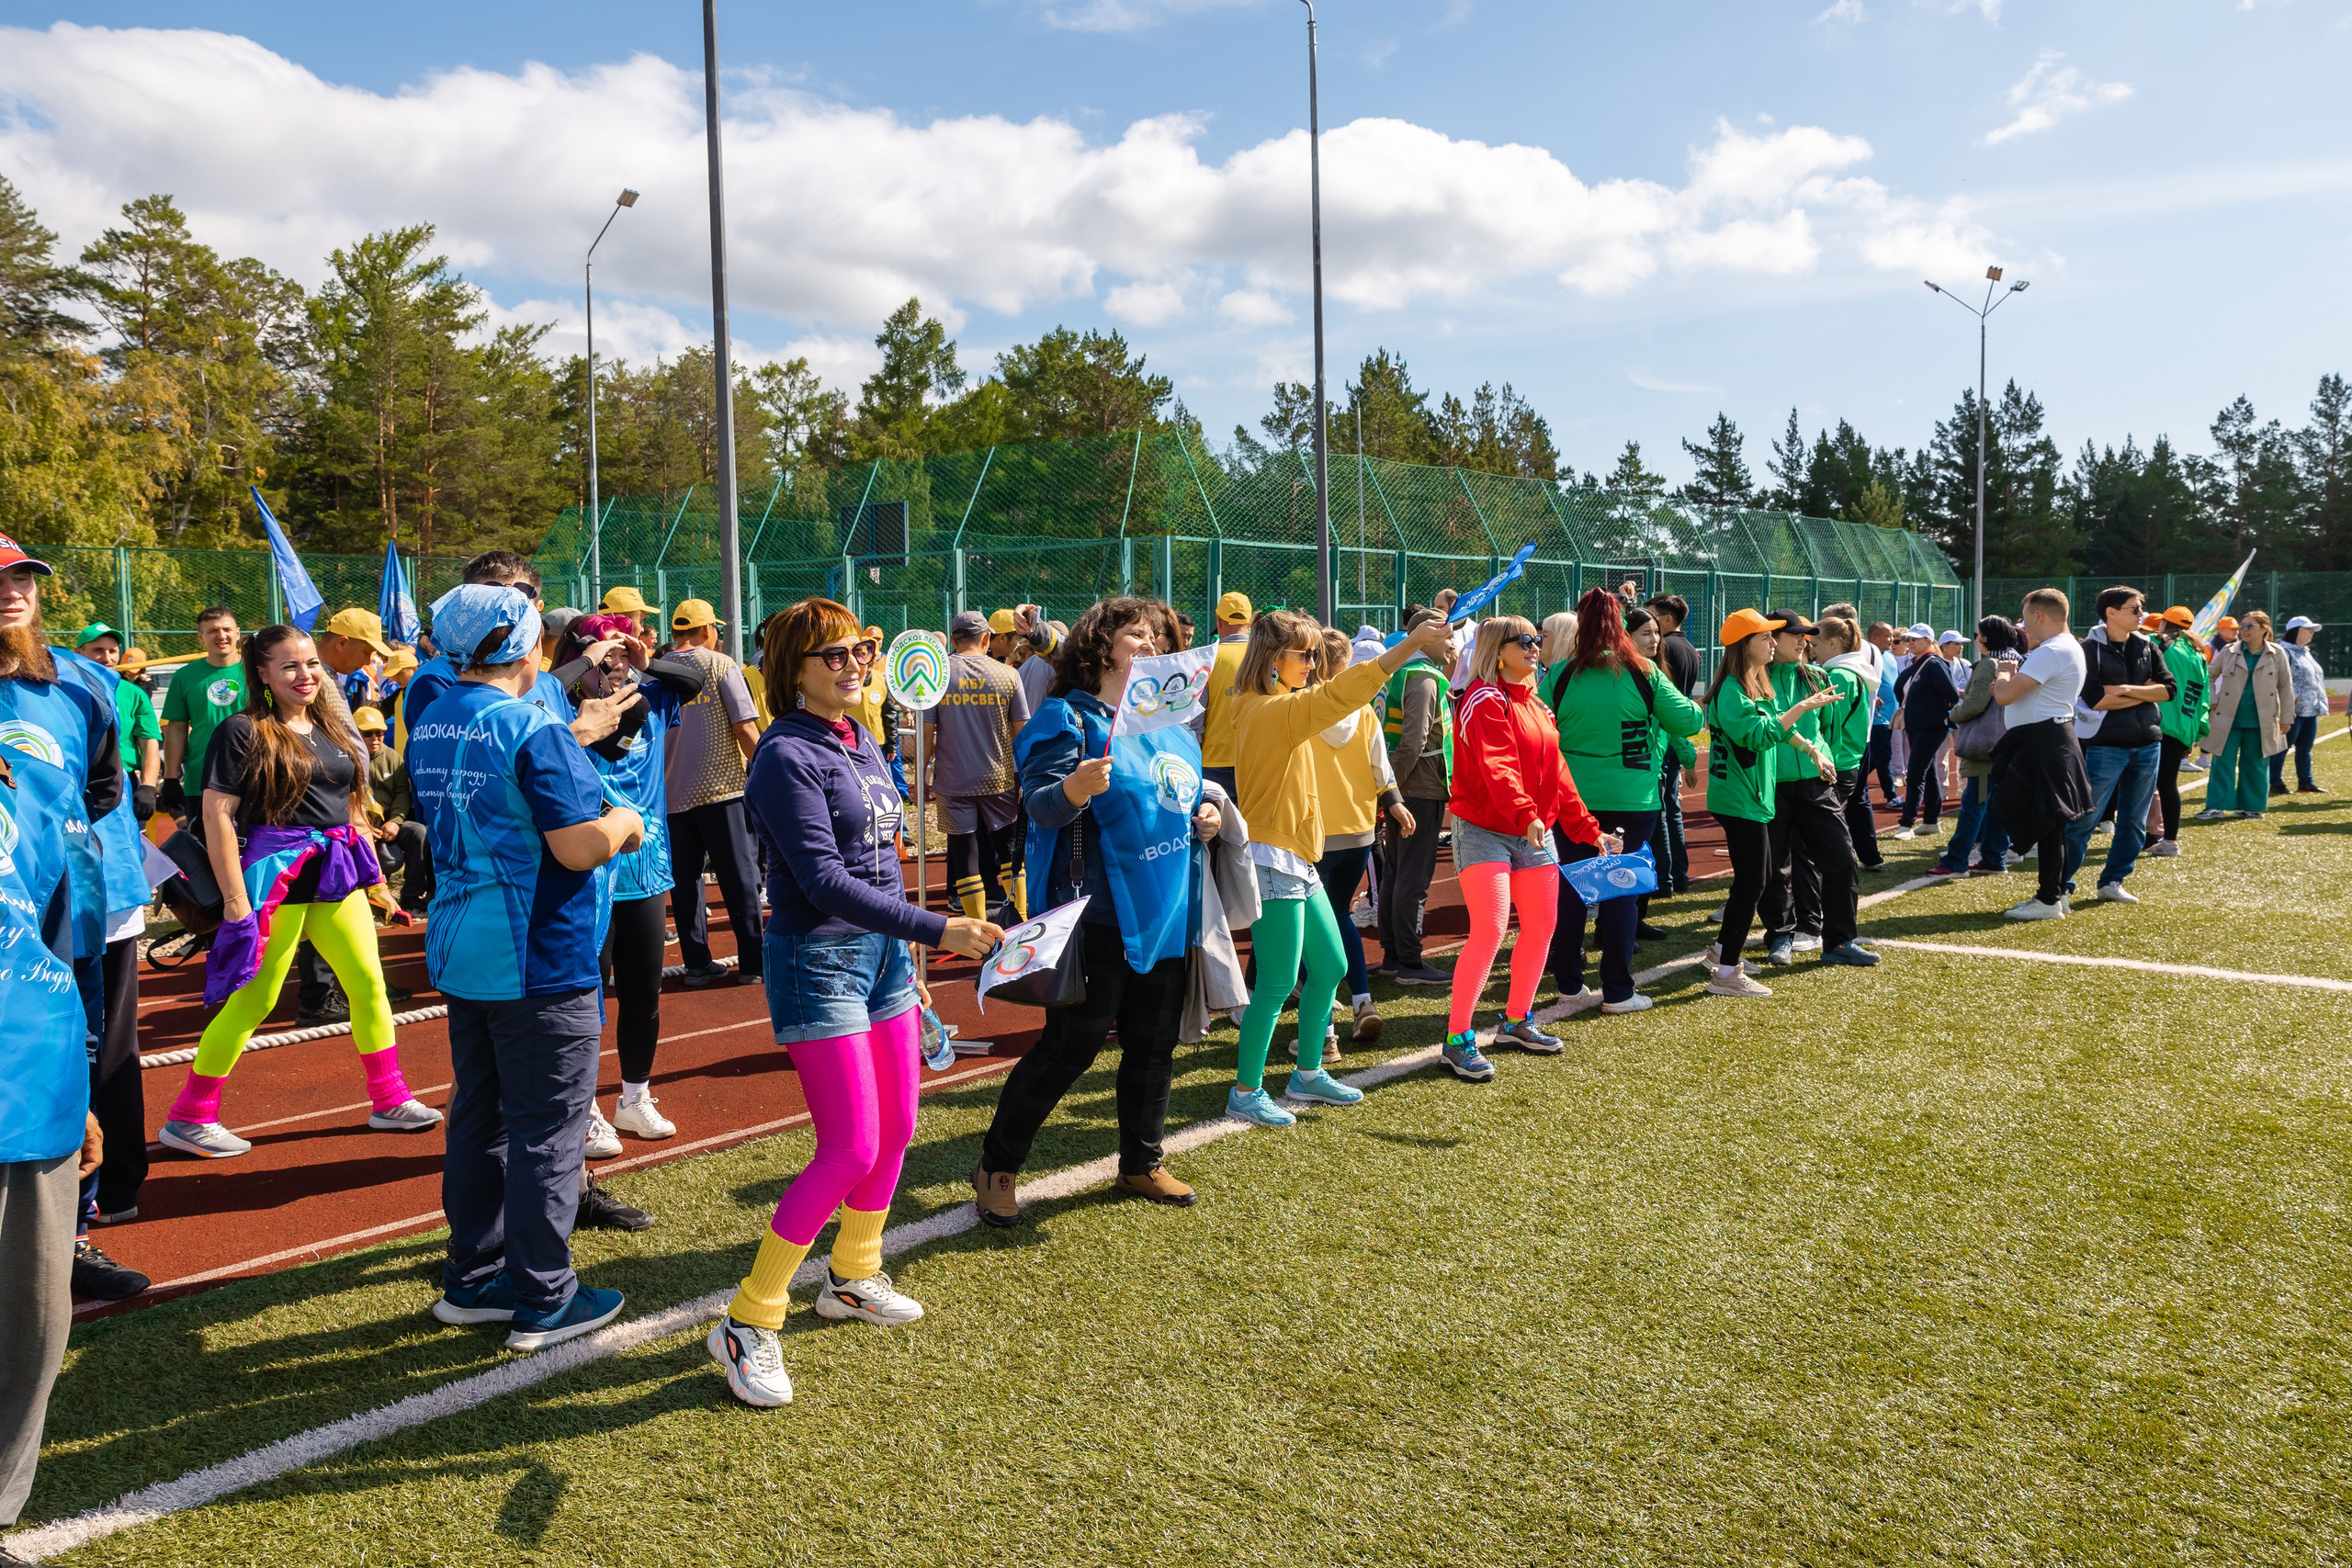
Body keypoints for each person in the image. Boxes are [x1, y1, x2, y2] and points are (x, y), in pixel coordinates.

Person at [709, 598, 1000, 1408]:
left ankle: (853, 1273)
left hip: (880, 958)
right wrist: (940, 926)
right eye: (832, 654)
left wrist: (910, 936)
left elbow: (880, 857)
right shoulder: (783, 754)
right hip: (820, 960)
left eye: (860, 647)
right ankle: (748, 1319)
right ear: (792, 670)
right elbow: (823, 880)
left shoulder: (860, 736)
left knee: (899, 1128)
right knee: (847, 1146)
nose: (853, 662)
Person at [409, 583, 647, 1353]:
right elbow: (577, 844)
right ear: (524, 646)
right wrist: (626, 821)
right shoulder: (529, 727)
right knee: (548, 1129)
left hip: (462, 948)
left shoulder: (432, 713)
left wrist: (574, 733)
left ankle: (474, 1277)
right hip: (537, 955)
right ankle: (546, 1294)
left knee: (479, 1117)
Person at [972, 597, 1223, 1226]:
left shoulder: (1167, 720)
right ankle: (997, 1165)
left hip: (1166, 907)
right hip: (1097, 913)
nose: (1152, 644)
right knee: (1071, 1046)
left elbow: (1178, 795)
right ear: (1101, 644)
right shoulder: (1067, 717)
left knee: (1154, 1042)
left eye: (1159, 637)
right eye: (1139, 634)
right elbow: (1042, 806)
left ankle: (1141, 1160)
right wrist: (1074, 788)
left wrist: (1205, 819)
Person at [157, 625, 441, 1157]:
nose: (305, 675)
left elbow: (352, 805)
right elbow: (216, 814)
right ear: (261, 673)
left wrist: (376, 880)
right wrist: (237, 898)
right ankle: (189, 1117)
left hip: (337, 877)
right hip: (275, 879)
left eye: (310, 663)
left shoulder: (331, 724)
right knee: (255, 1000)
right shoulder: (241, 731)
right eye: (289, 666)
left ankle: (389, 1098)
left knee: (370, 988)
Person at [1227, 609, 1453, 1122]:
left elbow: (1339, 698)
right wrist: (1410, 645)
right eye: (1303, 654)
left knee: (1329, 965)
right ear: (1271, 658)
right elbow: (1346, 691)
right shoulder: (1269, 710)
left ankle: (1308, 1074)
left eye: (1314, 654)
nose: (1313, 663)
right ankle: (1244, 1092)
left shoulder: (1273, 704)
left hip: (1295, 856)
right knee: (1278, 983)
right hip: (1273, 857)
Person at [0, 544, 147, 1298]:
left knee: (80, 1050)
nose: (12, 591)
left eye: (21, 577)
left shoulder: (81, 683)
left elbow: (97, 792)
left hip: (62, 902)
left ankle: (74, 1236)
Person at [551, 613, 704, 1147]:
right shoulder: (559, 708)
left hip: (644, 869)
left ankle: (634, 1098)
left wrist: (640, 654)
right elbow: (557, 684)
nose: (614, 665)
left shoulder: (653, 699)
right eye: (602, 657)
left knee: (643, 993)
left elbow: (693, 679)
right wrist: (590, 658)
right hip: (584, 872)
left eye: (620, 655)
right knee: (585, 997)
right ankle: (583, 1105)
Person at [0, 727, 96, 1536]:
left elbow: (68, 941)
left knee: (32, 1318)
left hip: (33, 1086)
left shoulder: (41, 784)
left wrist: (84, 1085)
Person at [1442, 615, 1609, 1076]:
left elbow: (1559, 776)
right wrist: (1527, 814)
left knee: (1541, 926)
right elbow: (1497, 767)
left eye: (1538, 640)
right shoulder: (1482, 698)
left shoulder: (1538, 705)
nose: (1536, 647)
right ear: (1497, 650)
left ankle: (1517, 1019)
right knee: (1491, 929)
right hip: (1484, 828)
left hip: (1531, 828)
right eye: (1525, 641)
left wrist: (1588, 829)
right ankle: (1458, 1038)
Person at [1544, 590, 1702, 1013]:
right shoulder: (1643, 672)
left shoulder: (1559, 673)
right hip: (1633, 799)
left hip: (1573, 800)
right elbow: (1689, 720)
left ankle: (1569, 984)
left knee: (1574, 887)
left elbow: (1535, 723)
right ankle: (1617, 990)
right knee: (1620, 891)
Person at [1702, 610, 1843, 998]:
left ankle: (1719, 954)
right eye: (1764, 637)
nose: (1772, 642)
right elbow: (1761, 735)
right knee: (1753, 883)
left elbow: (1779, 725)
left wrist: (1810, 748)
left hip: (1750, 797)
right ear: (1744, 645)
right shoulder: (1732, 689)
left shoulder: (1751, 682)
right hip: (1740, 799)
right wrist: (1803, 706)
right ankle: (1727, 973)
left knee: (1753, 880)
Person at [1308, 626, 1409, 1048]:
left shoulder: (1302, 707)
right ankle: (1362, 1001)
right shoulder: (1364, 710)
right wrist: (1395, 802)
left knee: (1312, 929)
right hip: (1358, 829)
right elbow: (1380, 767)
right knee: (1339, 917)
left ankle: (1324, 1030)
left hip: (1311, 832)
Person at [1758, 611, 1874, 968]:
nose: (1803, 641)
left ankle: (1839, 941)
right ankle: (1780, 935)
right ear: (1771, 639)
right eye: (1796, 635)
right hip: (1770, 785)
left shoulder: (1819, 675)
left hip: (1816, 783)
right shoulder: (1751, 680)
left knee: (1841, 858)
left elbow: (1830, 731)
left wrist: (1823, 760)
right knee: (1775, 867)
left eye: (1806, 636)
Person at [662, 597, 765, 990]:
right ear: (707, 631)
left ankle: (696, 963)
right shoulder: (719, 664)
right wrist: (768, 769)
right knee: (740, 877)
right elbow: (744, 728)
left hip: (671, 792)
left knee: (685, 881)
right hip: (722, 789)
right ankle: (753, 963)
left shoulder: (654, 673)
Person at [2061, 586, 2177, 906]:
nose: (2142, 615)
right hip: (2105, 746)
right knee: (2085, 818)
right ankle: (2060, 886)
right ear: (2111, 612)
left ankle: (2112, 881)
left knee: (2135, 821)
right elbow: (2096, 699)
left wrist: (2124, 689)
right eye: (2135, 609)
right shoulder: (2088, 650)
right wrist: (2143, 692)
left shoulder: (2148, 647)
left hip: (2148, 743)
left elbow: (2169, 690)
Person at [1989, 588, 2093, 919]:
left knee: (2048, 821)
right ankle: (2054, 894)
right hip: (2049, 738)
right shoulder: (2063, 647)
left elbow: (2005, 696)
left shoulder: (2053, 650)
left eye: (2024, 617)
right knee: (2053, 822)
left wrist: (2003, 672)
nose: (2022, 626)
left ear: (2039, 616)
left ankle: (2048, 899)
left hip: (2043, 741)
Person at [930, 609, 1032, 923]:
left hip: (952, 779)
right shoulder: (1008, 674)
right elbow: (1022, 733)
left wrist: (922, 775)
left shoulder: (939, 674)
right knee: (1009, 849)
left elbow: (926, 732)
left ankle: (977, 928)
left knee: (964, 851)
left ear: (955, 638)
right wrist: (1026, 778)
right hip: (998, 777)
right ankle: (1021, 920)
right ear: (987, 638)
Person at [1378, 607, 1454, 987]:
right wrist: (1395, 790)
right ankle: (1409, 960)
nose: (1453, 643)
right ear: (1428, 637)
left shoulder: (1401, 672)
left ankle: (1394, 955)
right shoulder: (1424, 678)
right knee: (1413, 876)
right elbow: (1413, 743)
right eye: (1447, 636)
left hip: (1403, 787)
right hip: (1418, 788)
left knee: (1396, 871)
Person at [1928, 615, 2019, 878]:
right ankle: (1994, 858)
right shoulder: (2014, 662)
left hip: (1984, 750)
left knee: (1974, 805)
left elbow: (1975, 704)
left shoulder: (1989, 664)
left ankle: (1956, 860)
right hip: (2006, 744)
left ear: (1985, 637)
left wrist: (1952, 714)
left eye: (1979, 634)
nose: (1976, 638)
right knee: (1995, 806)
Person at [2196, 608, 2293, 820]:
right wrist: (2212, 700)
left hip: (2262, 719)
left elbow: (2285, 686)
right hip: (2227, 716)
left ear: (2264, 628)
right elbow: (2209, 675)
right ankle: (2216, 806)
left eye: (2250, 626)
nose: (2243, 630)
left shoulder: (2277, 653)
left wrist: (2287, 717)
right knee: (2222, 762)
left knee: (2256, 763)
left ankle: (2250, 807)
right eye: (2242, 626)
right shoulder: (2229, 651)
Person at [158, 604, 244, 819]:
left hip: (254, 777)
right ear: (200, 636)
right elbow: (176, 728)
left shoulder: (259, 672)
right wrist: (170, 777)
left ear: (237, 633)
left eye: (226, 629)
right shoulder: (184, 676)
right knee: (205, 848)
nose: (221, 636)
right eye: (213, 631)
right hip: (202, 779)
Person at [1821, 615, 1890, 872]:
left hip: (1837, 761)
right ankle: (1865, 859)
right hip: (1853, 754)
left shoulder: (1839, 675)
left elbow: (1829, 725)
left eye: (1816, 643)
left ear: (1833, 643)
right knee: (1849, 810)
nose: (1812, 650)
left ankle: (1840, 872)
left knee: (1826, 825)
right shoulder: (1857, 669)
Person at [1645, 594, 1702, 893]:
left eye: (1652, 617)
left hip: (1665, 738)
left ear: (1666, 620)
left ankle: (1666, 878)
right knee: (1672, 809)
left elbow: (1669, 703)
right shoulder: (1690, 649)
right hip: (1675, 737)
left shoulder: (1665, 649)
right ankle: (1677, 876)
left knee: (1662, 812)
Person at [76, 624, 161, 820]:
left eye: (113, 651)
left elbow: (149, 743)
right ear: (78, 652)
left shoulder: (134, 693)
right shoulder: (63, 689)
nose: (107, 658)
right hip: (77, 778)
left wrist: (148, 787)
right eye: (98, 650)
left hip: (122, 782)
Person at [355, 706, 434, 915]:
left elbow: (402, 793)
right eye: (367, 733)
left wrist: (395, 821)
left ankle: (411, 897)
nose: (375, 738)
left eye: (379, 733)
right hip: (359, 825)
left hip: (389, 823)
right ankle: (363, 900)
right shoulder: (347, 757)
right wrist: (362, 825)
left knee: (419, 832)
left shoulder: (392, 757)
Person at [2147, 606, 2210, 856]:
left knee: (2142, 785)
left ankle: (2144, 837)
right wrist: (2195, 733)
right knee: (2167, 784)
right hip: (2181, 728)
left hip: (2153, 722)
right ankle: (2169, 841)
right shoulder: (2198, 654)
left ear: (2164, 623)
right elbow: (2202, 698)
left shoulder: (2156, 643)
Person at [1893, 623, 1959, 839]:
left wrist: (1931, 709)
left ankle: (1906, 824)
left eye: (1915, 639)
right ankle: (1930, 820)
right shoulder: (1917, 662)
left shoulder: (1934, 664)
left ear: (1929, 642)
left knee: (1915, 773)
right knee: (1927, 773)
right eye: (1908, 639)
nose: (1909, 642)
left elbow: (1952, 694)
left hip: (1931, 726)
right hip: (1917, 725)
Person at [1194, 591, 1255, 797]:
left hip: (1213, 761)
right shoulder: (1267, 657)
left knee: (1212, 824)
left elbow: (1195, 719)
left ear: (1218, 620)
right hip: (1257, 760)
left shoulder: (1207, 657)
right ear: (1250, 620)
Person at [2277, 615, 2328, 794]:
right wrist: (2292, 699)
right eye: (2308, 629)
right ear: (2295, 631)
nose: (2312, 633)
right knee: (2282, 748)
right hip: (2292, 710)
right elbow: (2279, 679)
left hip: (2310, 710)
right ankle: (2274, 783)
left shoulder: (2305, 652)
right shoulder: (2283, 652)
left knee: (2305, 748)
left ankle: (2306, 782)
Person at [1863, 622, 1900, 808]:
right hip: (1877, 717)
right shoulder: (1866, 655)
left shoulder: (1891, 656)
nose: (1891, 639)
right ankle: (1891, 797)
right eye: (1887, 635)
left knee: (1878, 757)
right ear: (1874, 637)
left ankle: (1852, 783)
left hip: (1891, 716)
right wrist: (1872, 696)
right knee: (1883, 756)